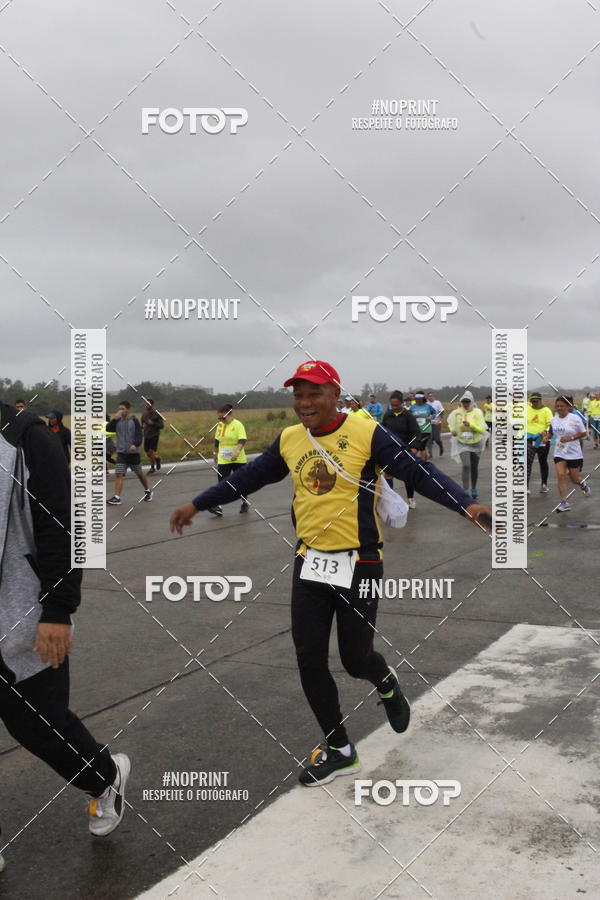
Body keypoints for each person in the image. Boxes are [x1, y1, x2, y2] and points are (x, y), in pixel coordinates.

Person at [170, 361, 491, 787]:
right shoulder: (289, 439)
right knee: (308, 658)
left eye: (314, 394)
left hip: (361, 563)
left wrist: (464, 503)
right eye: (298, 395)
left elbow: (417, 472)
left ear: (335, 394)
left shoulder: (364, 432)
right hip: (310, 561)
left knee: (355, 659)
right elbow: (247, 478)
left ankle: (385, 681)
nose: (304, 403)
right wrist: (196, 503)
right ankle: (339, 748)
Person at [0, 402, 130, 862]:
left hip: (18, 614)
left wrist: (57, 607)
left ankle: (104, 777)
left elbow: (68, 525)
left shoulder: (26, 438)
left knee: (40, 726)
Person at [542, 395, 590, 512]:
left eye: (561, 406)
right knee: (560, 476)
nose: (559, 408)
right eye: (557, 406)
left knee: (574, 479)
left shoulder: (574, 418)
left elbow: (584, 433)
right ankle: (564, 503)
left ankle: (582, 484)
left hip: (574, 453)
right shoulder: (554, 419)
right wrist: (546, 438)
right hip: (560, 452)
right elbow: (551, 433)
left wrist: (571, 437)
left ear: (568, 407)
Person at [106, 401, 152, 505]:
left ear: (128, 409)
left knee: (139, 473)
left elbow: (139, 434)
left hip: (133, 453)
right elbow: (108, 428)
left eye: (122, 408)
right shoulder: (117, 421)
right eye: (119, 409)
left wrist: (135, 444)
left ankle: (148, 490)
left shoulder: (134, 420)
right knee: (118, 473)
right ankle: (117, 497)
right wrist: (115, 419)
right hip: (121, 452)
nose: (120, 411)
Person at [381, 391, 421, 509]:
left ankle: (410, 499)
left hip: (406, 449)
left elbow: (416, 432)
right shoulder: (387, 415)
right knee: (388, 475)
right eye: (392, 405)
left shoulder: (409, 416)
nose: (394, 407)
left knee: (407, 476)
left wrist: (414, 447)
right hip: (391, 450)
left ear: (402, 403)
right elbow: (383, 431)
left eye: (397, 405)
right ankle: (391, 501)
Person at [208, 403, 249, 516]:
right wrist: (215, 453)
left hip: (238, 458)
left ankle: (244, 502)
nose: (221, 420)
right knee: (222, 483)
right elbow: (217, 440)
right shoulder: (220, 425)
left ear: (229, 414)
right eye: (219, 418)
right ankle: (218, 506)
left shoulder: (238, 425)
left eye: (223, 417)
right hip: (224, 459)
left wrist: (237, 451)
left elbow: (242, 439)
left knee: (241, 482)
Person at [447, 391, 487, 499]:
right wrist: (452, 430)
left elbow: (482, 429)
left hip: (476, 443)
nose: (465, 404)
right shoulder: (457, 413)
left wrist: (471, 425)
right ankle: (465, 490)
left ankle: (473, 488)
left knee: (474, 467)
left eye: (467, 401)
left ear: (471, 401)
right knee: (466, 465)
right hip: (462, 443)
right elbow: (451, 424)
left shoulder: (478, 412)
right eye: (463, 402)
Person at [525, 393, 552, 494]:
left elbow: (550, 424)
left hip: (542, 440)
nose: (534, 403)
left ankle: (544, 485)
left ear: (541, 400)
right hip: (529, 439)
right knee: (528, 462)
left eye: (536, 401)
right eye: (532, 401)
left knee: (543, 462)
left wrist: (546, 431)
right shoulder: (527, 410)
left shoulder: (546, 411)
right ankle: (526, 487)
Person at [141, 398, 164, 474]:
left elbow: (161, 425)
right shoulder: (144, 414)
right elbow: (142, 424)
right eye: (146, 404)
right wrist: (142, 426)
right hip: (146, 435)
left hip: (154, 435)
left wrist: (153, 423)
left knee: (151, 451)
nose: (146, 405)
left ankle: (152, 468)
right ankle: (157, 458)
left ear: (152, 405)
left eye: (148, 404)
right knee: (147, 453)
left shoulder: (156, 414)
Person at [411, 392, 436, 461]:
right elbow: (408, 415)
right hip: (416, 430)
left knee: (421, 446)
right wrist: (412, 416)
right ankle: (425, 459)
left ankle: (423, 463)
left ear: (423, 399)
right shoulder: (413, 407)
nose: (418, 400)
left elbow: (435, 413)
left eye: (419, 399)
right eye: (416, 399)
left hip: (426, 429)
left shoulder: (427, 406)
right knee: (421, 447)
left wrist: (431, 417)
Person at [427, 392, 444, 456]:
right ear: (427, 397)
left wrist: (440, 420)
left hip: (436, 423)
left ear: (434, 397)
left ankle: (441, 447)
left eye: (432, 396)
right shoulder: (426, 404)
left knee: (437, 438)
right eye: (429, 396)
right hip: (428, 424)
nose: (430, 397)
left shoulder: (437, 403)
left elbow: (442, 412)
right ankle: (430, 454)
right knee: (429, 439)